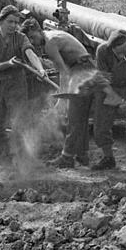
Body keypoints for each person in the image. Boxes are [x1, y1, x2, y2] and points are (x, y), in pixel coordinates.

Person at [0, 5, 46, 165]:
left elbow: (30, 53)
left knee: (20, 120)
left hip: (17, 84)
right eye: (10, 22)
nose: (13, 25)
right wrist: (8, 63)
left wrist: (40, 69)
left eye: (16, 22)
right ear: (1, 21)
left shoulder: (20, 38)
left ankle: (20, 156)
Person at [22, 20, 95, 168]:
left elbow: (63, 71)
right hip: (85, 68)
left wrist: (62, 98)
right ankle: (82, 155)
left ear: (38, 30)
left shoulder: (50, 44)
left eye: (32, 37)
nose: (32, 41)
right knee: (80, 116)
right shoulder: (52, 37)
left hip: (81, 71)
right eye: (29, 39)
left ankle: (67, 157)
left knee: (74, 116)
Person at [91, 29, 126, 180]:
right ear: (112, 48)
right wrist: (117, 101)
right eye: (118, 52)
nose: (121, 55)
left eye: (124, 51)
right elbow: (103, 82)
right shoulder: (102, 51)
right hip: (107, 88)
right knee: (101, 124)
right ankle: (108, 157)